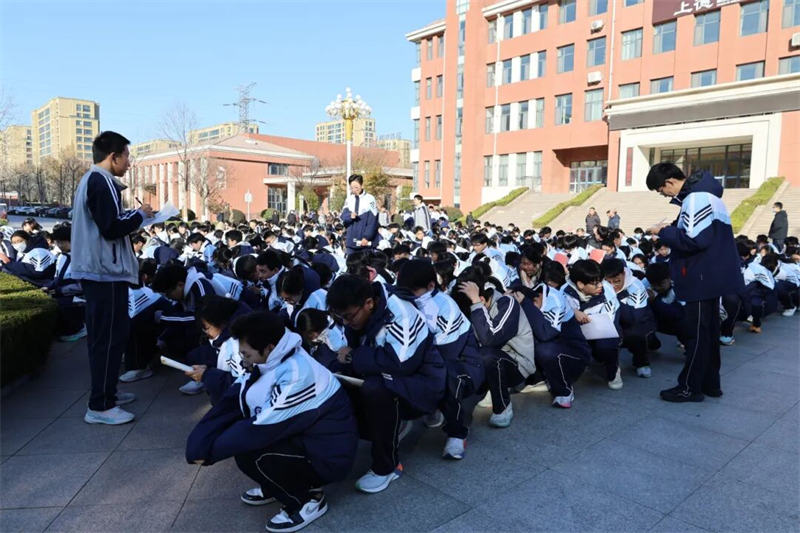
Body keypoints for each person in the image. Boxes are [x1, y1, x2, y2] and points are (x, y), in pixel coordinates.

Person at [185, 312, 358, 533]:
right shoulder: (272, 358)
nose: (243, 360)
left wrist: (210, 453)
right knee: (246, 443)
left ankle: (307, 499)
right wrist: (199, 444)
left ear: (269, 347)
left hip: (328, 457)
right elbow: (234, 399)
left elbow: (261, 428)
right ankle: (276, 486)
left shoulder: (297, 373)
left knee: (252, 453)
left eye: (246, 354)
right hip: (306, 438)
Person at [326, 274, 445, 493]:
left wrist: (353, 356)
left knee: (376, 389)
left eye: (349, 316)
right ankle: (383, 429)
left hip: (423, 382)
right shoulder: (362, 312)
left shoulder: (401, 314)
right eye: (340, 318)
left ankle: (387, 466)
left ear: (369, 303)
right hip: (390, 372)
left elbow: (400, 363)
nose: (346, 323)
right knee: (335, 376)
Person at [71, 131, 154, 425]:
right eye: (127, 156)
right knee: (107, 339)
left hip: (103, 271)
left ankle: (108, 394)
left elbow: (107, 223)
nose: (129, 162)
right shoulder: (100, 180)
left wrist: (136, 216)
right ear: (113, 156)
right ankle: (100, 406)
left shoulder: (95, 180)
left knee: (110, 337)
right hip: (103, 273)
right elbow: (110, 227)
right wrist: (140, 215)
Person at [646, 163, 743, 402]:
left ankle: (690, 387)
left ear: (669, 182)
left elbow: (693, 239)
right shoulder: (707, 195)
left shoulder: (695, 198)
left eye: (661, 190)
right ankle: (710, 383)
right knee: (708, 332)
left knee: (697, 334)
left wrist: (661, 231)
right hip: (710, 275)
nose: (663, 195)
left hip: (701, 276)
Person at [340, 174, 378, 255]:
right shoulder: (349, 199)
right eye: (352, 188)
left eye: (356, 187)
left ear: (362, 185)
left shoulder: (370, 199)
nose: (354, 190)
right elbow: (343, 216)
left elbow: (373, 221)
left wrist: (367, 237)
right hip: (351, 242)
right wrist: (350, 216)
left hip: (365, 243)